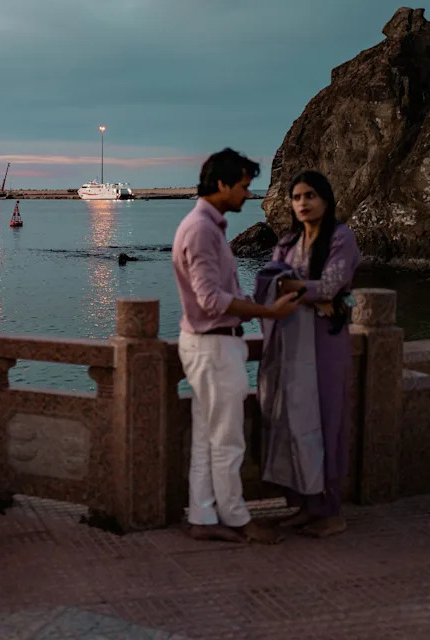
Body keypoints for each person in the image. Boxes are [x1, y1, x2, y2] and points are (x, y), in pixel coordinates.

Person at [172, 148, 302, 544]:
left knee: (207, 436)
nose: (248, 195)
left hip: (206, 343)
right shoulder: (201, 230)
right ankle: (236, 517)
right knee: (227, 439)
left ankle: (202, 516)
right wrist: (269, 311)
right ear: (223, 184)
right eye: (244, 186)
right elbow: (211, 300)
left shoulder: (207, 227)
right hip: (213, 345)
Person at [264, 171, 361, 538]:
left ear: (325, 199)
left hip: (326, 344)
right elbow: (270, 283)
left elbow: (334, 284)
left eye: (310, 195)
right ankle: (304, 505)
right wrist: (315, 297)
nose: (303, 203)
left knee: (326, 419)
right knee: (293, 418)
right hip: (292, 344)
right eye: (297, 197)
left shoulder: (341, 237)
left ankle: (330, 509)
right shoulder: (288, 242)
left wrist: (296, 289)